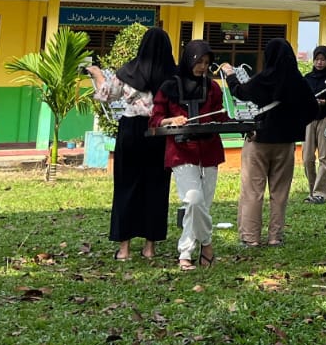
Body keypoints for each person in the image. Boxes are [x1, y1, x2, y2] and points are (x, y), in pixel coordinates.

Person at [89, 27, 176, 261]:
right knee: (156, 187)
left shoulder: (128, 71)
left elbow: (107, 94)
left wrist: (97, 73)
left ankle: (124, 248)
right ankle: (150, 247)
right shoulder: (171, 75)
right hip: (159, 131)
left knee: (126, 186)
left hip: (131, 131)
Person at [224, 38, 314, 247]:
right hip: (286, 143)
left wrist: (230, 76)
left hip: (258, 139)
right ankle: (276, 237)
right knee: (280, 192)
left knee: (253, 190)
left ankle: (250, 237)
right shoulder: (299, 82)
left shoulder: (263, 79)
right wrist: (293, 123)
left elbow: (240, 92)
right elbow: (313, 111)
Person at [152, 40, 225, 271]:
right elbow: (155, 119)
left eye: (206, 63)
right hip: (181, 151)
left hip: (210, 151)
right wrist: (172, 120)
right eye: (199, 62)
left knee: (201, 207)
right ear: (188, 59)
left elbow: (221, 117)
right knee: (193, 200)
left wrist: (245, 124)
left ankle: (186, 253)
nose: (203, 67)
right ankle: (206, 244)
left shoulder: (212, 88)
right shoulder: (169, 87)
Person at [302, 45, 326, 203]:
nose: (319, 63)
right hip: (309, 119)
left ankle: (321, 192)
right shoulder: (307, 78)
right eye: (317, 59)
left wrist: (325, 101)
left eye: (323, 59)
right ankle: (312, 189)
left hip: (325, 119)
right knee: (307, 158)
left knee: (324, 157)